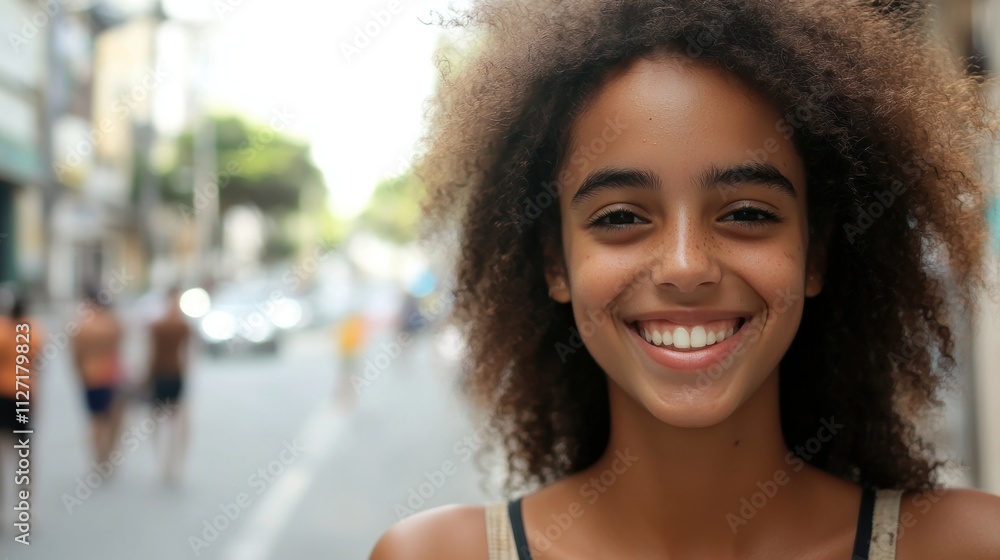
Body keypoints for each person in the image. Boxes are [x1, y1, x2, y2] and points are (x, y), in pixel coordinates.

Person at [370, 1, 1000, 559]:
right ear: (555, 263)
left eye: (748, 213)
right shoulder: (432, 554)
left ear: (816, 254)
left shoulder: (967, 546)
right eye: (620, 218)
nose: (685, 266)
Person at [0, 294, 45, 514]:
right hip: (23, 395)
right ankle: (26, 505)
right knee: (24, 452)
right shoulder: (33, 331)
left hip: (4, 395)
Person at [72, 290, 126, 467]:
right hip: (110, 376)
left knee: (95, 420)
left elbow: (76, 356)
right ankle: (107, 454)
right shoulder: (112, 323)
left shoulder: (82, 326)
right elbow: (119, 350)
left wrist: (80, 374)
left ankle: (98, 457)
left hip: (90, 377)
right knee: (112, 418)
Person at [146, 287, 192, 483]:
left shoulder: (159, 325)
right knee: (177, 422)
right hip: (173, 375)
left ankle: (165, 462)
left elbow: (150, 354)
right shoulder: (181, 325)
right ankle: (172, 462)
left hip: (162, 375)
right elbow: (188, 356)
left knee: (160, 422)